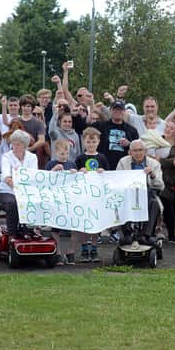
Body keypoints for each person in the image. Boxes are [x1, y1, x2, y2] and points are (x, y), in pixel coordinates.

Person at [75, 127, 110, 262]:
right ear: (84, 142)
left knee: (96, 222)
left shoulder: (102, 157)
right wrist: (79, 171)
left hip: (97, 196)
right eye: (88, 142)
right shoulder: (80, 158)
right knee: (84, 222)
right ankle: (84, 248)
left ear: (98, 142)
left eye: (93, 141)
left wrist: (103, 171)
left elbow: (109, 176)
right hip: (83, 196)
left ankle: (94, 248)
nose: (91, 144)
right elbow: (74, 174)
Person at [0, 130, 38, 237]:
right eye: (13, 143)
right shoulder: (7, 156)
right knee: (13, 203)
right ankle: (12, 234)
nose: (14, 146)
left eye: (17, 144)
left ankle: (30, 230)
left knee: (35, 201)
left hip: (27, 191)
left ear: (25, 145)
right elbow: (6, 177)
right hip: (7, 190)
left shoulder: (32, 157)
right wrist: (18, 186)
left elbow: (33, 176)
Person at [45, 140, 79, 265]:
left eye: (66, 153)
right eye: (61, 153)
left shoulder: (72, 164)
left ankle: (70, 252)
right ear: (55, 152)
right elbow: (45, 179)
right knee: (56, 228)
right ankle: (58, 252)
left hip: (69, 200)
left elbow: (78, 183)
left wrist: (76, 174)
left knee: (73, 228)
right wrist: (53, 170)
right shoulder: (50, 164)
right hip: (56, 199)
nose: (64, 156)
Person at [90, 100, 139, 170]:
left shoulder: (132, 130)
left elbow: (138, 148)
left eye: (120, 109)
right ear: (110, 111)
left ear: (124, 111)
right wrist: (92, 106)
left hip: (124, 168)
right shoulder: (100, 126)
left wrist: (129, 144)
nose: (117, 111)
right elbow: (85, 128)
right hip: (103, 167)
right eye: (115, 109)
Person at [156, 120, 175, 243]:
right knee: (156, 205)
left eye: (171, 128)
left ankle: (171, 234)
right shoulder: (157, 140)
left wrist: (161, 160)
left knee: (168, 206)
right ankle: (154, 231)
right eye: (167, 127)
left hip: (170, 179)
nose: (167, 129)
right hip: (155, 177)